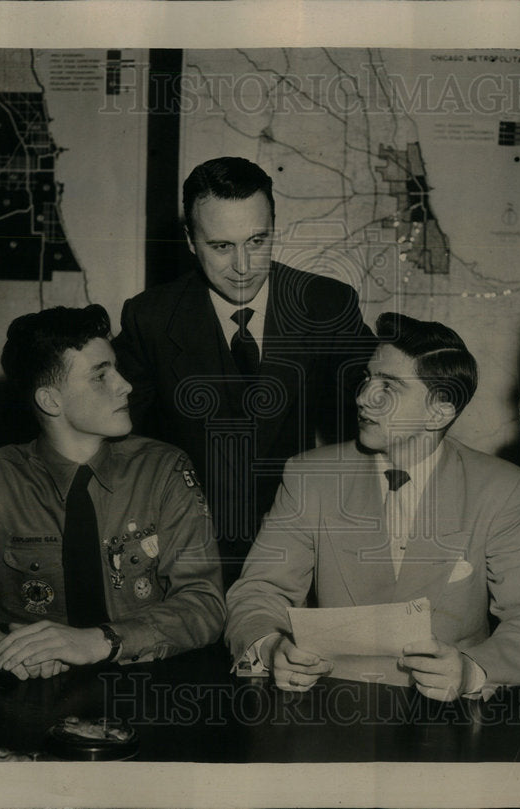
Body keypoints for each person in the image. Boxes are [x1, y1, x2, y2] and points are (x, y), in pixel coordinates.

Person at [225, 313, 520, 700]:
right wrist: (271, 647)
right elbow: (257, 592)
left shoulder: (501, 490)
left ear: (440, 410)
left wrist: (472, 669)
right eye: (368, 379)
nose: (363, 397)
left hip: (444, 716)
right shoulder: (311, 476)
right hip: (329, 704)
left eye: (388, 386)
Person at [0, 305, 225, 679]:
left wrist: (99, 641)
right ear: (50, 400)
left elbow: (203, 605)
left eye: (116, 368)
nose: (125, 384)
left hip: (145, 685)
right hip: (30, 686)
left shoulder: (163, 469)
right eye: (100, 376)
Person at [114, 156, 375, 585]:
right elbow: (119, 444)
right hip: (186, 550)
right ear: (190, 240)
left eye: (257, 241)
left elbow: (382, 407)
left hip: (303, 546)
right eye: (221, 246)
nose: (243, 266)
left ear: (275, 227)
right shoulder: (151, 318)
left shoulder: (325, 304)